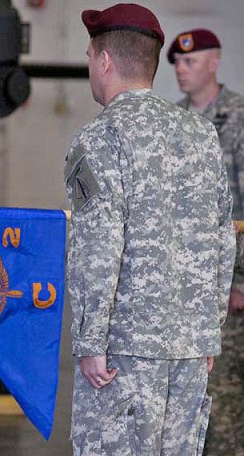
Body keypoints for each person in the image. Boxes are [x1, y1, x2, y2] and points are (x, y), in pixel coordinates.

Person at [64, 4, 236, 456]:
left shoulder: (101, 136)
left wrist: (90, 340)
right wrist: (208, 329)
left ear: (104, 61)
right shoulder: (201, 133)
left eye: (88, 58)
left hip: (125, 350)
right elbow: (223, 234)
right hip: (190, 345)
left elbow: (97, 246)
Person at [168, 28, 244, 456]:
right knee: (188, 400)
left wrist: (240, 282)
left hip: (230, 287)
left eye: (190, 62)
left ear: (214, 62)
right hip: (187, 286)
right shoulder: (176, 123)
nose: (181, 70)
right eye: (177, 63)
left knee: (226, 402)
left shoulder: (238, 118)